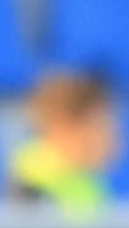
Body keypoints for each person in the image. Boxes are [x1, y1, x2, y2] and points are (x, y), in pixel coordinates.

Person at [8, 67, 122, 216]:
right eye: (100, 124)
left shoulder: (88, 181)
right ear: (67, 124)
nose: (112, 135)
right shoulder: (33, 173)